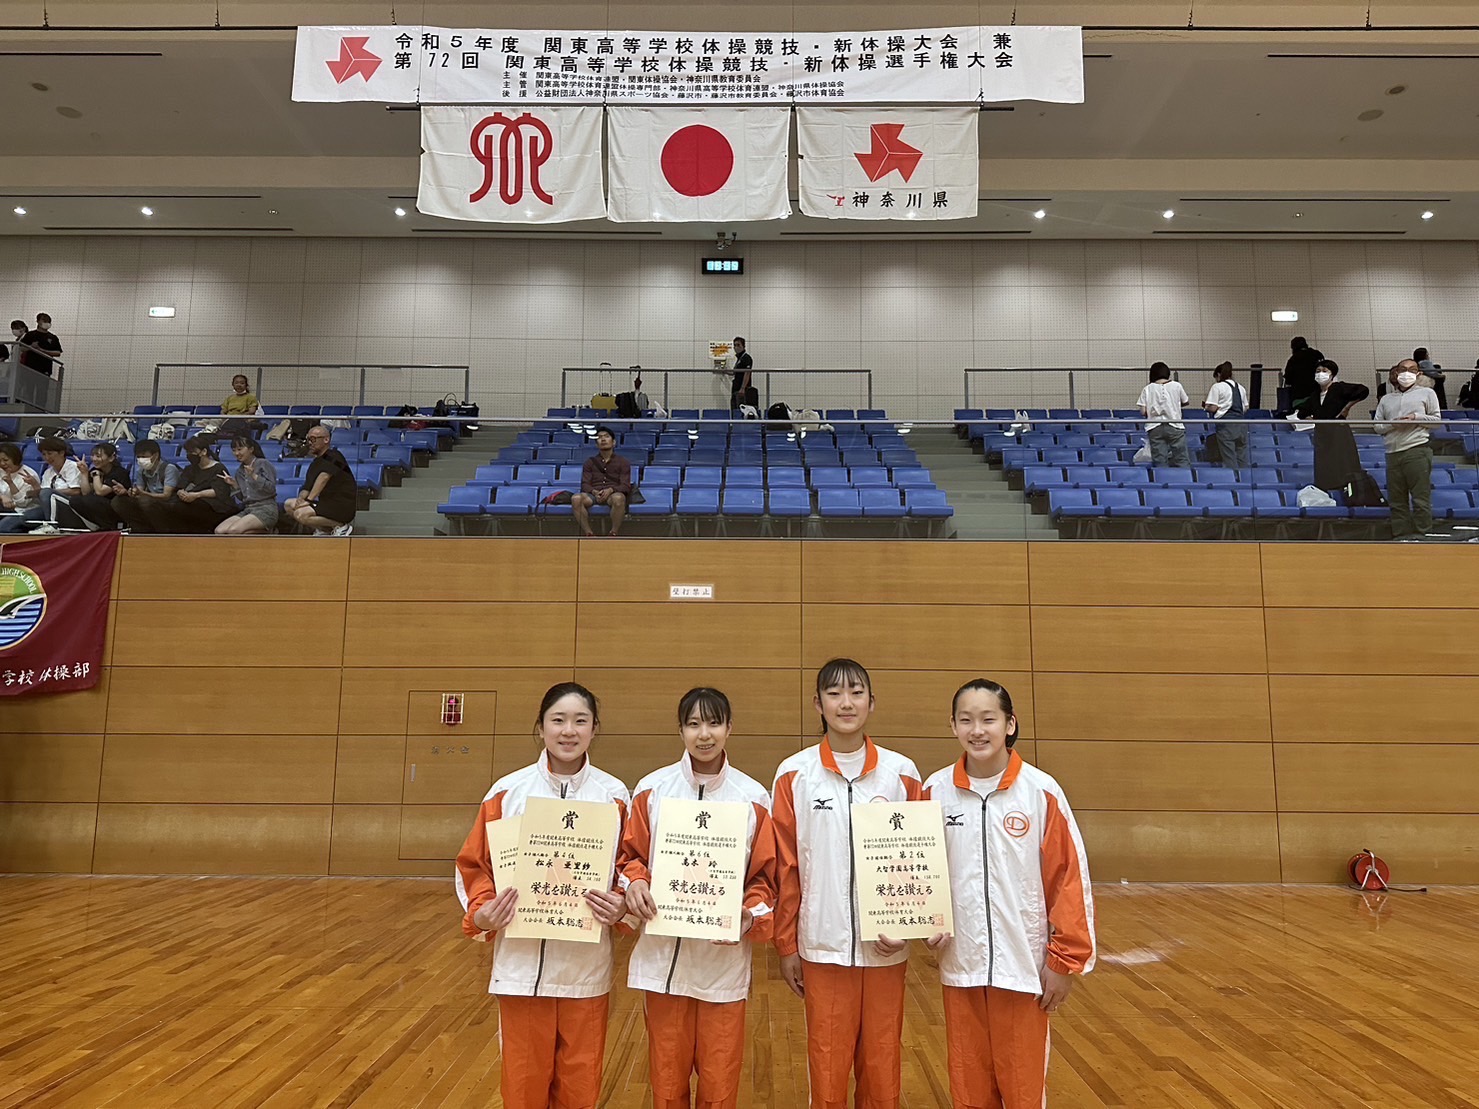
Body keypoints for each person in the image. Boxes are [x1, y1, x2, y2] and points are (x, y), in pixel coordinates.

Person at [454, 682, 630, 1109]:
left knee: (580, 1088)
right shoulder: (507, 792)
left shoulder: (615, 795)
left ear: (595, 729)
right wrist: (483, 914)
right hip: (521, 968)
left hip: (586, 969)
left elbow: (630, 868)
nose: (568, 731)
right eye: (558, 720)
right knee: (523, 1088)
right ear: (541, 728)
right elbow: (474, 866)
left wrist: (622, 903)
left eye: (580, 721)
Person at [923, 679, 1095, 1109]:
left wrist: (1064, 962)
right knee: (968, 1092)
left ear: (1009, 723)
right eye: (966, 720)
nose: (977, 730)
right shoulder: (934, 791)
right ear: (953, 726)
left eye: (988, 719)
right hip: (961, 969)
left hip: (1024, 972)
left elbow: (1069, 880)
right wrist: (926, 921)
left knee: (1022, 1093)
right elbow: (920, 871)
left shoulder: (1041, 792)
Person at [772, 658, 923, 1109]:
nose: (846, 703)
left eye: (856, 692)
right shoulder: (794, 775)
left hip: (886, 946)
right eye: (834, 693)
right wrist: (786, 946)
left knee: (882, 1070)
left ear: (872, 703)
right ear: (817, 703)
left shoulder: (903, 773)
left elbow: (922, 863)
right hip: (822, 946)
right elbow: (786, 867)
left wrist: (912, 925)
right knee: (828, 1068)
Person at [619, 687, 777, 1109]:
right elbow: (629, 858)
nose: (704, 734)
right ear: (681, 730)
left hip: (721, 965)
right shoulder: (652, 790)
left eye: (713, 723)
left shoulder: (753, 797)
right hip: (662, 961)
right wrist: (634, 882)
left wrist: (748, 915)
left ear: (730, 728)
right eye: (693, 724)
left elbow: (765, 879)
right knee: (666, 1086)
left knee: (720, 1086)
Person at [1374, 360, 1441, 540]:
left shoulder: (1427, 393)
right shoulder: (1386, 399)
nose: (1406, 373)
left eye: (1412, 370)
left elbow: (1437, 421)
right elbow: (1377, 426)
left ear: (1419, 373)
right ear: (1396, 373)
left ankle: (1422, 533)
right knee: (1396, 499)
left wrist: (1415, 417)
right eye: (1402, 369)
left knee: (1420, 497)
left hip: (1416, 449)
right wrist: (1393, 424)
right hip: (1392, 452)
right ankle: (1401, 535)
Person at [1294, 359, 1370, 492]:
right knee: (1324, 465)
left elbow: (1363, 391)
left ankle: (1348, 491)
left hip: (1338, 431)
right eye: (1318, 371)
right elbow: (1301, 413)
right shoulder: (1315, 395)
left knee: (1343, 462)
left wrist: (1347, 408)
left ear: (1332, 374)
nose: (1320, 374)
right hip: (1322, 434)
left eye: (1324, 371)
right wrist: (1313, 419)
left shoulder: (1338, 388)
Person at [150, 434, 236, 534]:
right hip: (189, 501)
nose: (190, 455)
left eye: (192, 452)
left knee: (178, 508)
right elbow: (180, 486)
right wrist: (181, 493)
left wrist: (195, 495)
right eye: (188, 452)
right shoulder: (190, 469)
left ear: (204, 451)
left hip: (213, 505)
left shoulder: (218, 468)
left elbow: (218, 491)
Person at [0, 436, 84, 533]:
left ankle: (52, 526)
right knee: (7, 525)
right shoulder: (48, 472)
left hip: (69, 507)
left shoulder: (72, 467)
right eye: (44, 454)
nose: (47, 457)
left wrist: (48, 492)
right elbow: (42, 496)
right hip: (45, 508)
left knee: (46, 493)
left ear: (61, 453)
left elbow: (76, 491)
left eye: (50, 453)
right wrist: (35, 485)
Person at [284, 425, 355, 536]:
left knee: (301, 514)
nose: (310, 443)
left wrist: (309, 501)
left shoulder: (335, 456)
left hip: (341, 506)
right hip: (325, 504)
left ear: (326, 440)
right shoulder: (314, 464)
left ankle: (341, 525)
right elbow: (307, 487)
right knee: (289, 505)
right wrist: (301, 499)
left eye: (313, 439)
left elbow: (323, 478)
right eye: (308, 440)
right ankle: (325, 529)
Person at [111, 439, 181, 533]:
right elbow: (139, 492)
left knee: (146, 501)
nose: (141, 460)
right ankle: (140, 529)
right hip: (149, 504)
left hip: (167, 505)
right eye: (139, 457)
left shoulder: (169, 469)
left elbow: (166, 496)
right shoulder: (141, 471)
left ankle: (163, 532)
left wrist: (143, 494)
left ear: (155, 455)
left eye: (144, 456)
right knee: (118, 501)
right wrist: (128, 492)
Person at [572, 425, 630, 538]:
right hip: (593, 494)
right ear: (596, 443)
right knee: (576, 499)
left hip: (612, 494)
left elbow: (625, 485)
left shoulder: (623, 462)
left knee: (619, 498)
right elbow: (585, 484)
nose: (603, 439)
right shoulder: (590, 462)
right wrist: (594, 492)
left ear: (613, 442)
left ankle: (613, 532)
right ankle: (589, 533)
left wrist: (610, 490)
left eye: (606, 437)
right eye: (599, 437)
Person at [61, 442, 132, 530]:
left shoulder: (119, 472)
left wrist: (96, 475)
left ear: (111, 458)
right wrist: (84, 473)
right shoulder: (95, 470)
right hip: (101, 507)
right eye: (93, 455)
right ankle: (96, 525)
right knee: (75, 500)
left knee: (92, 500)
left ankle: (111, 526)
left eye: (98, 456)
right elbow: (85, 492)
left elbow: (100, 492)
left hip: (118, 508)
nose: (94, 459)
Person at [216, 436, 279, 535]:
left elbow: (271, 489)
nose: (237, 453)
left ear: (251, 449)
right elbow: (243, 498)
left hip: (266, 508)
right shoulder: (239, 471)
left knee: (234, 530)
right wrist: (235, 485)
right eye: (234, 450)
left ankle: (268, 532)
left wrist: (254, 476)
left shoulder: (263, 463)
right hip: (248, 509)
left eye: (240, 449)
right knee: (220, 531)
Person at [1136, 363, 1191, 467]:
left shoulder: (1147, 389)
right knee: (1181, 458)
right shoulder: (1176, 385)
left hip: (1154, 426)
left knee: (1160, 460)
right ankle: (1185, 480)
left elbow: (1143, 411)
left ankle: (1163, 479)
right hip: (1175, 425)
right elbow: (1186, 401)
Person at [1203, 361, 1250, 470]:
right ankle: (1244, 480)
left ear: (1219, 375)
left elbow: (1213, 407)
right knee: (1242, 457)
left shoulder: (1217, 387)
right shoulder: (1241, 387)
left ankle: (1234, 481)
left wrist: (1207, 407)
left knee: (1229, 458)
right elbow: (1246, 407)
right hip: (1241, 425)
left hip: (1226, 426)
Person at [0, 442, 41, 527]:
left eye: (5, 460)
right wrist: (2, 496)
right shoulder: (1, 471)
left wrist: (10, 483)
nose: (2, 464)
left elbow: (23, 503)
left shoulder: (28, 474)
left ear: (15, 458)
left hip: (22, 511)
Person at [1283, 336, 1323, 411]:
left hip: (1300, 395)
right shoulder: (1317, 355)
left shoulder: (1294, 359)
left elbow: (1288, 378)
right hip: (1317, 393)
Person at [19, 313, 63, 377]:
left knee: (42, 386)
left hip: (45, 368)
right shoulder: (30, 335)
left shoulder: (53, 337)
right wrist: (31, 347)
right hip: (29, 367)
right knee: (28, 386)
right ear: (38, 321)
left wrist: (41, 350)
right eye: (44, 321)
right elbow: (21, 348)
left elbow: (58, 353)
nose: (46, 323)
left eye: (48, 321)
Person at [730, 337, 753, 412]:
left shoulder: (746, 358)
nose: (736, 348)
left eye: (738, 345)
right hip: (735, 388)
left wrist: (743, 388)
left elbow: (747, 373)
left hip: (742, 389)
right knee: (734, 409)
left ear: (743, 346)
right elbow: (734, 372)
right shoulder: (739, 359)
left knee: (741, 409)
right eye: (735, 345)